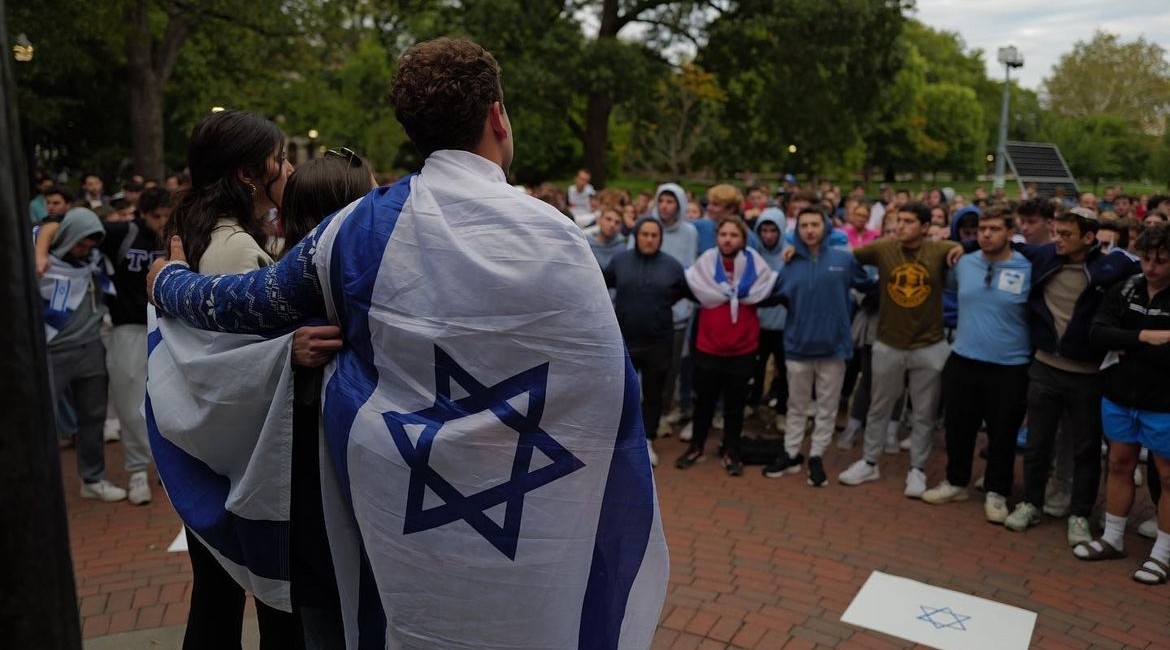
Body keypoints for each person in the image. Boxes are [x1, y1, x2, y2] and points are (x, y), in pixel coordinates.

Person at [149, 37, 667, 648]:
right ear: (498, 116)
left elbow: (242, 303)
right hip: (527, 495)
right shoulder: (557, 236)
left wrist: (169, 280)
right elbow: (608, 384)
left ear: (413, 132)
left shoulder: (351, 231)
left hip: (401, 486)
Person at [153, 109, 304, 650]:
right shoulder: (236, 248)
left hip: (206, 456)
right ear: (248, 175)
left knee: (213, 599)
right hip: (246, 464)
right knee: (275, 604)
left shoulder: (189, 232)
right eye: (279, 159)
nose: (287, 168)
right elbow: (249, 364)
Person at [1003, 207, 1140, 547]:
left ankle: (1080, 513)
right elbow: (1012, 246)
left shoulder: (1111, 267)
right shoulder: (1045, 255)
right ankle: (1031, 503)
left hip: (1088, 376)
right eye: (1056, 232)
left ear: (1089, 238)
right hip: (1045, 367)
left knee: (1086, 449)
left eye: (1066, 234)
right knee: (1037, 444)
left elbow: (1140, 268)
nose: (1058, 240)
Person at [835, 202, 960, 497]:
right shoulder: (883, 249)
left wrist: (961, 248)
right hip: (888, 343)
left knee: (924, 412)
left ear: (926, 227)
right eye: (899, 220)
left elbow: (964, 247)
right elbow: (845, 256)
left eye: (909, 221)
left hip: (929, 344)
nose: (900, 226)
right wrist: (796, 251)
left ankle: (917, 469)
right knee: (879, 406)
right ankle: (869, 461)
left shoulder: (940, 250)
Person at [921, 206, 1032, 523]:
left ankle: (997, 491)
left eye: (995, 229)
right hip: (964, 359)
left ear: (1010, 233)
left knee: (1003, 432)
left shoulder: (1028, 267)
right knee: (958, 427)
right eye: (982, 228)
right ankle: (956, 482)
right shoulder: (963, 262)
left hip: (1010, 365)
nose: (986, 234)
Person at [1079, 223, 1170, 585]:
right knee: (1118, 463)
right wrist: (1147, 337)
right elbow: (1097, 333)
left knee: (1166, 474)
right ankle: (1113, 537)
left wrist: (1127, 344)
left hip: (1163, 402)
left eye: (1161, 261)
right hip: (1119, 395)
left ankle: (1162, 554)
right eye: (1146, 259)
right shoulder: (1126, 287)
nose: (1150, 267)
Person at [763, 207, 872, 486]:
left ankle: (817, 455)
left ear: (825, 227)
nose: (810, 230)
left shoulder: (843, 260)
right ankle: (790, 452)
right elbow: (772, 295)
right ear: (797, 230)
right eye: (804, 226)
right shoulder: (789, 265)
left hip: (834, 348)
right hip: (798, 346)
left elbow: (868, 286)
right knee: (796, 405)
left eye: (815, 224)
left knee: (827, 407)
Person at [676, 216, 778, 476]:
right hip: (708, 347)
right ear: (717, 237)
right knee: (704, 403)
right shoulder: (706, 263)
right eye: (723, 234)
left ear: (743, 239)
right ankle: (696, 446)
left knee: (735, 405)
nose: (728, 239)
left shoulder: (756, 264)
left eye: (734, 235)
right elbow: (694, 289)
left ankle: (731, 449)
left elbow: (768, 289)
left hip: (743, 349)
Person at [38, 207, 123, 501]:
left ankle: (93, 478)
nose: (85, 248)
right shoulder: (42, 264)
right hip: (51, 354)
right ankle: (40, 487)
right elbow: (46, 226)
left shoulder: (94, 263)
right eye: (81, 241)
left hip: (91, 349)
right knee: (41, 422)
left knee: (93, 417)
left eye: (91, 243)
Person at [604, 216, 689, 467]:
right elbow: (603, 283)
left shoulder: (672, 266)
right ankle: (621, 438)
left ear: (660, 239)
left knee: (654, 395)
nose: (649, 239)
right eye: (644, 234)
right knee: (623, 392)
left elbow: (682, 291)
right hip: (626, 339)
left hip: (659, 342)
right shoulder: (620, 261)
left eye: (654, 235)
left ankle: (647, 440)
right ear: (636, 236)